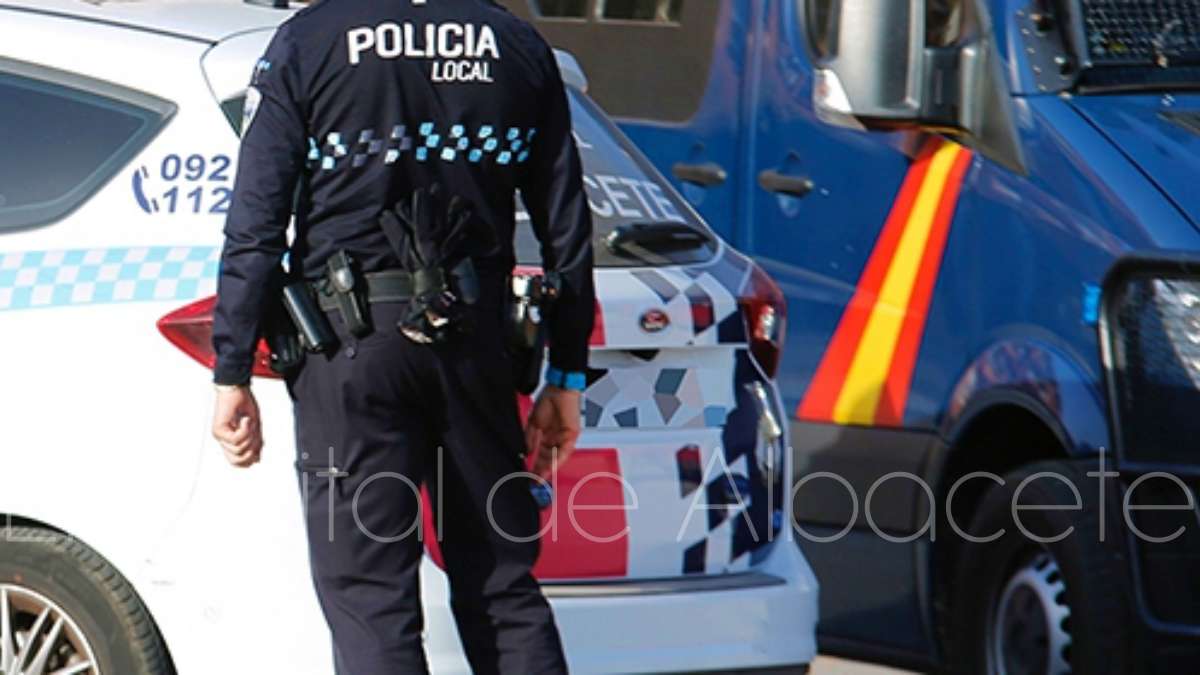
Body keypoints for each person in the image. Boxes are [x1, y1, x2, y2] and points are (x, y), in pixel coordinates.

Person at [208, 0, 594, 673]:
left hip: (350, 349)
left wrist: (232, 368)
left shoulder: (311, 40)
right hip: (475, 348)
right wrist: (566, 374)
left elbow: (256, 224)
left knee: (370, 598)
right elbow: (566, 226)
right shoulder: (515, 44)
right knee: (501, 583)